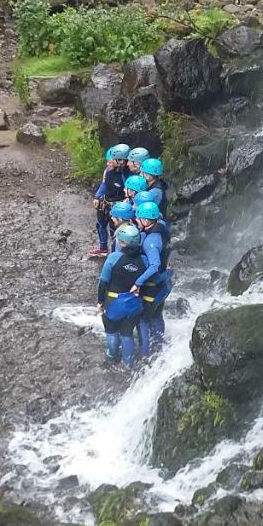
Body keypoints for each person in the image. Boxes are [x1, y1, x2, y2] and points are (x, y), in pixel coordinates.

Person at [97, 225, 147, 368]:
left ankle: (112, 357)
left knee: (112, 333)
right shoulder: (144, 260)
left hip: (114, 304)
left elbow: (103, 283)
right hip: (134, 305)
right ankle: (128, 364)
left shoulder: (113, 258)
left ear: (122, 242)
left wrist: (100, 302)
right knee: (127, 333)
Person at [133, 201, 172, 356]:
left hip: (154, 286)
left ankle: (145, 353)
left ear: (147, 221)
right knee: (157, 315)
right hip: (164, 283)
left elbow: (154, 265)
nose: (136, 220)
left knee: (143, 318)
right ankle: (158, 345)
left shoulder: (151, 241)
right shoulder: (161, 226)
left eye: (139, 218)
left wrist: (138, 282)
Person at [89, 145, 130, 257]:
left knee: (114, 229)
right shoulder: (109, 171)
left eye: (112, 161)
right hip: (105, 202)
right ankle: (103, 248)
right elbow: (105, 184)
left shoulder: (127, 174)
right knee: (100, 225)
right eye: (109, 161)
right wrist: (97, 196)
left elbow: (129, 191)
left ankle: (115, 252)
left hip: (118, 204)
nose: (109, 164)